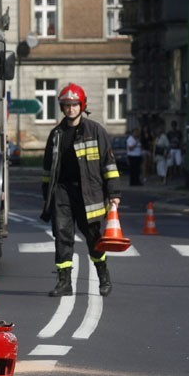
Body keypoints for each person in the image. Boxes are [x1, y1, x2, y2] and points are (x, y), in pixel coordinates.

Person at [41, 83, 121, 297]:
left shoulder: (95, 131)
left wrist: (114, 194)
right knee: (62, 237)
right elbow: (47, 170)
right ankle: (64, 282)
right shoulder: (56, 134)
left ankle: (103, 278)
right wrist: (45, 197)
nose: (71, 109)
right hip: (62, 193)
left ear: (82, 105)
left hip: (89, 194)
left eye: (75, 104)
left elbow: (109, 165)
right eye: (66, 105)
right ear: (62, 107)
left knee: (94, 237)